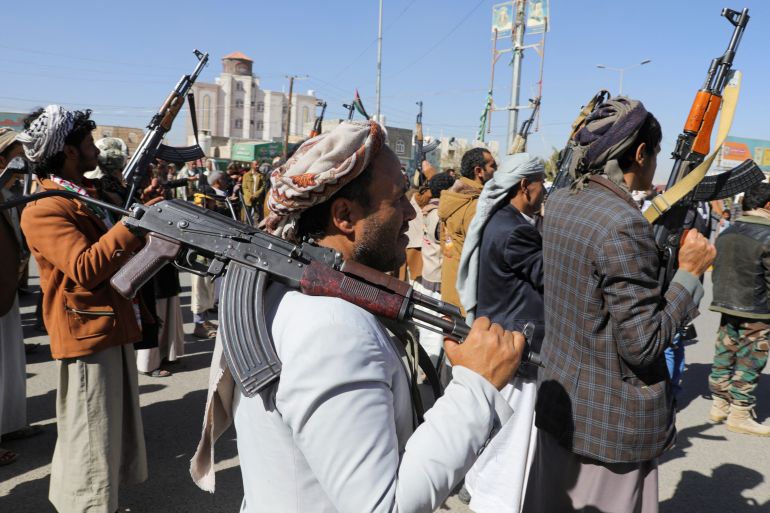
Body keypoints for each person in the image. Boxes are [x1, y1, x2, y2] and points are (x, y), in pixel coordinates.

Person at [190, 120, 526, 512]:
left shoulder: (287, 288)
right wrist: (477, 387)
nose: (411, 213)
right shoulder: (332, 329)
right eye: (398, 199)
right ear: (345, 215)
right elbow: (385, 506)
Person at [523, 97, 715, 513]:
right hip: (610, 426)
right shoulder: (622, 222)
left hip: (565, 409)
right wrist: (689, 274)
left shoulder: (562, 203)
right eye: (655, 154)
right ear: (641, 153)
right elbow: (643, 345)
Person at [17, 105, 148, 512]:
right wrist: (132, 223)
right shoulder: (44, 207)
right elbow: (84, 267)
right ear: (69, 152)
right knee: (90, 438)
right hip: (87, 335)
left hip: (107, 326)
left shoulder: (78, 196)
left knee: (106, 436)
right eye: (88, 143)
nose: (95, 149)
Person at [457, 153, 546, 513]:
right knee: (511, 447)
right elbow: (550, 277)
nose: (545, 192)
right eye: (542, 184)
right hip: (515, 350)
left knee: (495, 439)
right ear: (525, 187)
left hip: (500, 340)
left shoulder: (504, 221)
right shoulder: (516, 231)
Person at [708, 182, 770, 436]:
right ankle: (740, 413)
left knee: (724, 355)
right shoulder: (768, 234)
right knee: (750, 360)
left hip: (725, 303)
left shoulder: (728, 230)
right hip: (757, 309)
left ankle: (719, 405)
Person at [0, 129, 32, 466]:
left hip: (6, 289)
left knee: (9, 361)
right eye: (15, 153)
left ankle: (9, 424)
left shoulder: (10, 191)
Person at [438, 147, 497, 312]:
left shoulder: (453, 197)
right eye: (493, 167)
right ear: (479, 171)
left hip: (451, 289)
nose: (496, 172)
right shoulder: (476, 205)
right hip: (468, 298)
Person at [414, 172, 455, 366]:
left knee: (428, 331)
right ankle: (428, 376)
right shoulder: (440, 215)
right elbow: (447, 247)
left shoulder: (428, 209)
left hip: (428, 275)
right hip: (437, 280)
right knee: (432, 334)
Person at [241, 160, 266, 224]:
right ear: (252, 165)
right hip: (248, 199)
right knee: (246, 217)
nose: (258, 166)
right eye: (256, 164)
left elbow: (263, 186)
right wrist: (250, 195)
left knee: (257, 217)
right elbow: (244, 187)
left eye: (258, 164)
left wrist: (256, 195)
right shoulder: (246, 175)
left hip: (257, 199)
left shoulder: (261, 175)